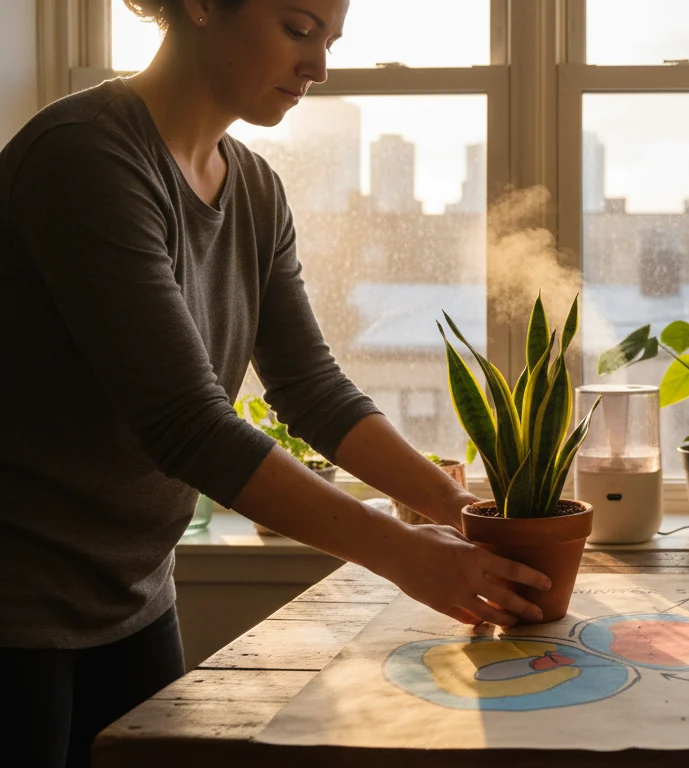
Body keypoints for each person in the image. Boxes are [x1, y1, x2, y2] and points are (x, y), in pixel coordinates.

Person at [0, 1, 548, 764]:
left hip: (132, 594)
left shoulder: (254, 188)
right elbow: (187, 425)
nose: (319, 66)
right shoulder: (84, 158)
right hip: (17, 605)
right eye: (298, 29)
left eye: (330, 38)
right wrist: (404, 554)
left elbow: (311, 387)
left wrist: (455, 509)